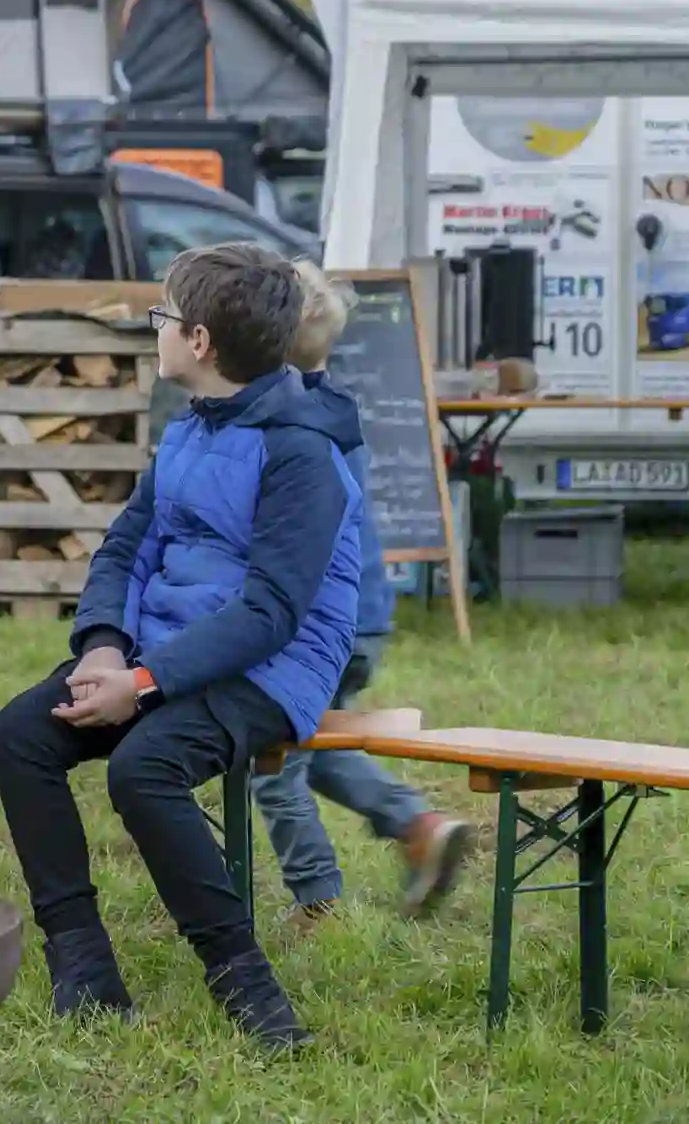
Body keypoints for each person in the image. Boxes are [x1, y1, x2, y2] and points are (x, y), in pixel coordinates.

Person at [0, 242, 363, 1050]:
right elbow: (126, 547)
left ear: (198, 342)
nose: (151, 329)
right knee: (21, 735)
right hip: (160, 648)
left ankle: (247, 988)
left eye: (161, 317)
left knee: (141, 767)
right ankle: (84, 969)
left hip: (275, 665)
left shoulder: (303, 450)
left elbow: (271, 612)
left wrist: (146, 682)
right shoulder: (192, 427)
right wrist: (101, 647)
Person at [249, 262, 473, 932]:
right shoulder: (333, 409)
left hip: (311, 623)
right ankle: (420, 827)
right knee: (313, 745)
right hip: (361, 617)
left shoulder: (286, 431)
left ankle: (315, 896)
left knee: (273, 762)